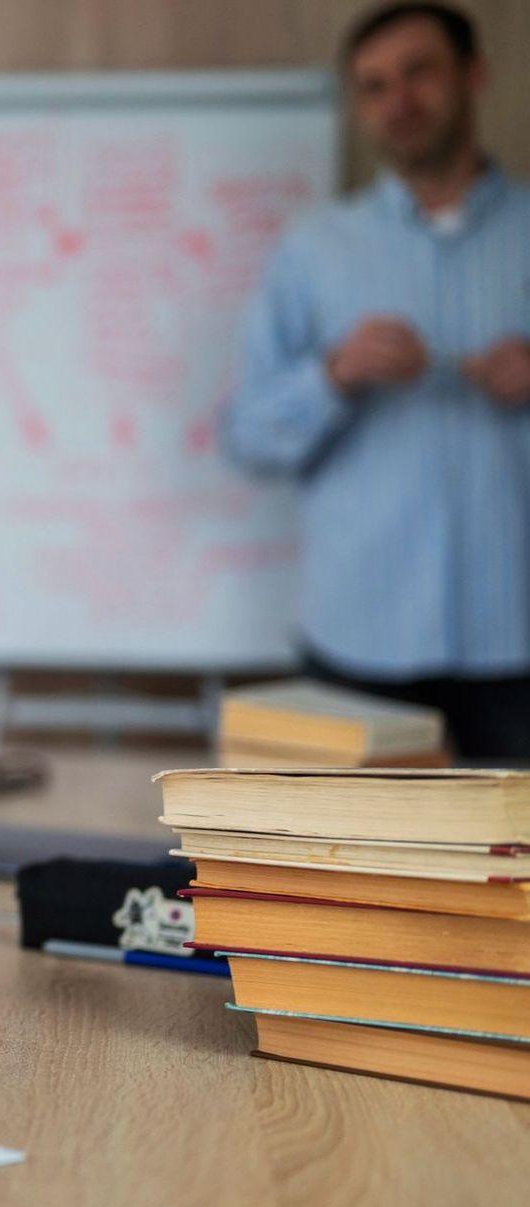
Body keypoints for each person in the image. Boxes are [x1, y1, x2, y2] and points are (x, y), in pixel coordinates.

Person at [222, 1, 530, 758]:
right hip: (358, 637)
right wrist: (331, 377)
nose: (399, 101)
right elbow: (245, 437)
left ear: (473, 74)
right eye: (373, 85)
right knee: (346, 870)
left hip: (518, 641)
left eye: (419, 72)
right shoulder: (313, 251)